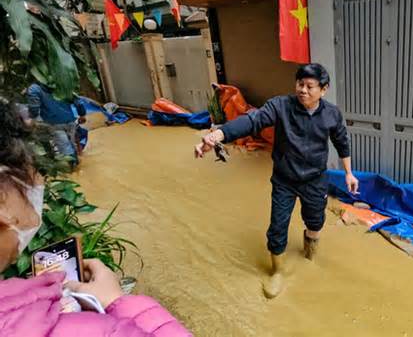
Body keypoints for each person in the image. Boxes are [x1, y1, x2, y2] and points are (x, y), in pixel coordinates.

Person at [0, 99, 192, 337]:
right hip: (63, 125)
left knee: (72, 148)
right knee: (70, 149)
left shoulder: (23, 308)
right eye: (33, 171)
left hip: (68, 124)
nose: (39, 181)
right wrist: (116, 302)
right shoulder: (84, 330)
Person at [194, 63, 359, 299]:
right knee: (278, 226)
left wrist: (349, 173)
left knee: (315, 221)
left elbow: (341, 142)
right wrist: (218, 134)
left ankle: (310, 254)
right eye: (300, 84)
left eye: (310, 86)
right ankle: (277, 272)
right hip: (284, 179)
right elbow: (253, 120)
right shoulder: (281, 106)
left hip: (314, 179)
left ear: (324, 90)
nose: (303, 90)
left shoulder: (332, 114)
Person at [26, 83, 86, 164]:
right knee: (71, 146)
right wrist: (82, 114)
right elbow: (78, 101)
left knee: (67, 151)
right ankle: (77, 166)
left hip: (54, 124)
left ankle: (75, 171)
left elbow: (34, 109)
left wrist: (31, 119)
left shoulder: (35, 88)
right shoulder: (61, 81)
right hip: (70, 121)